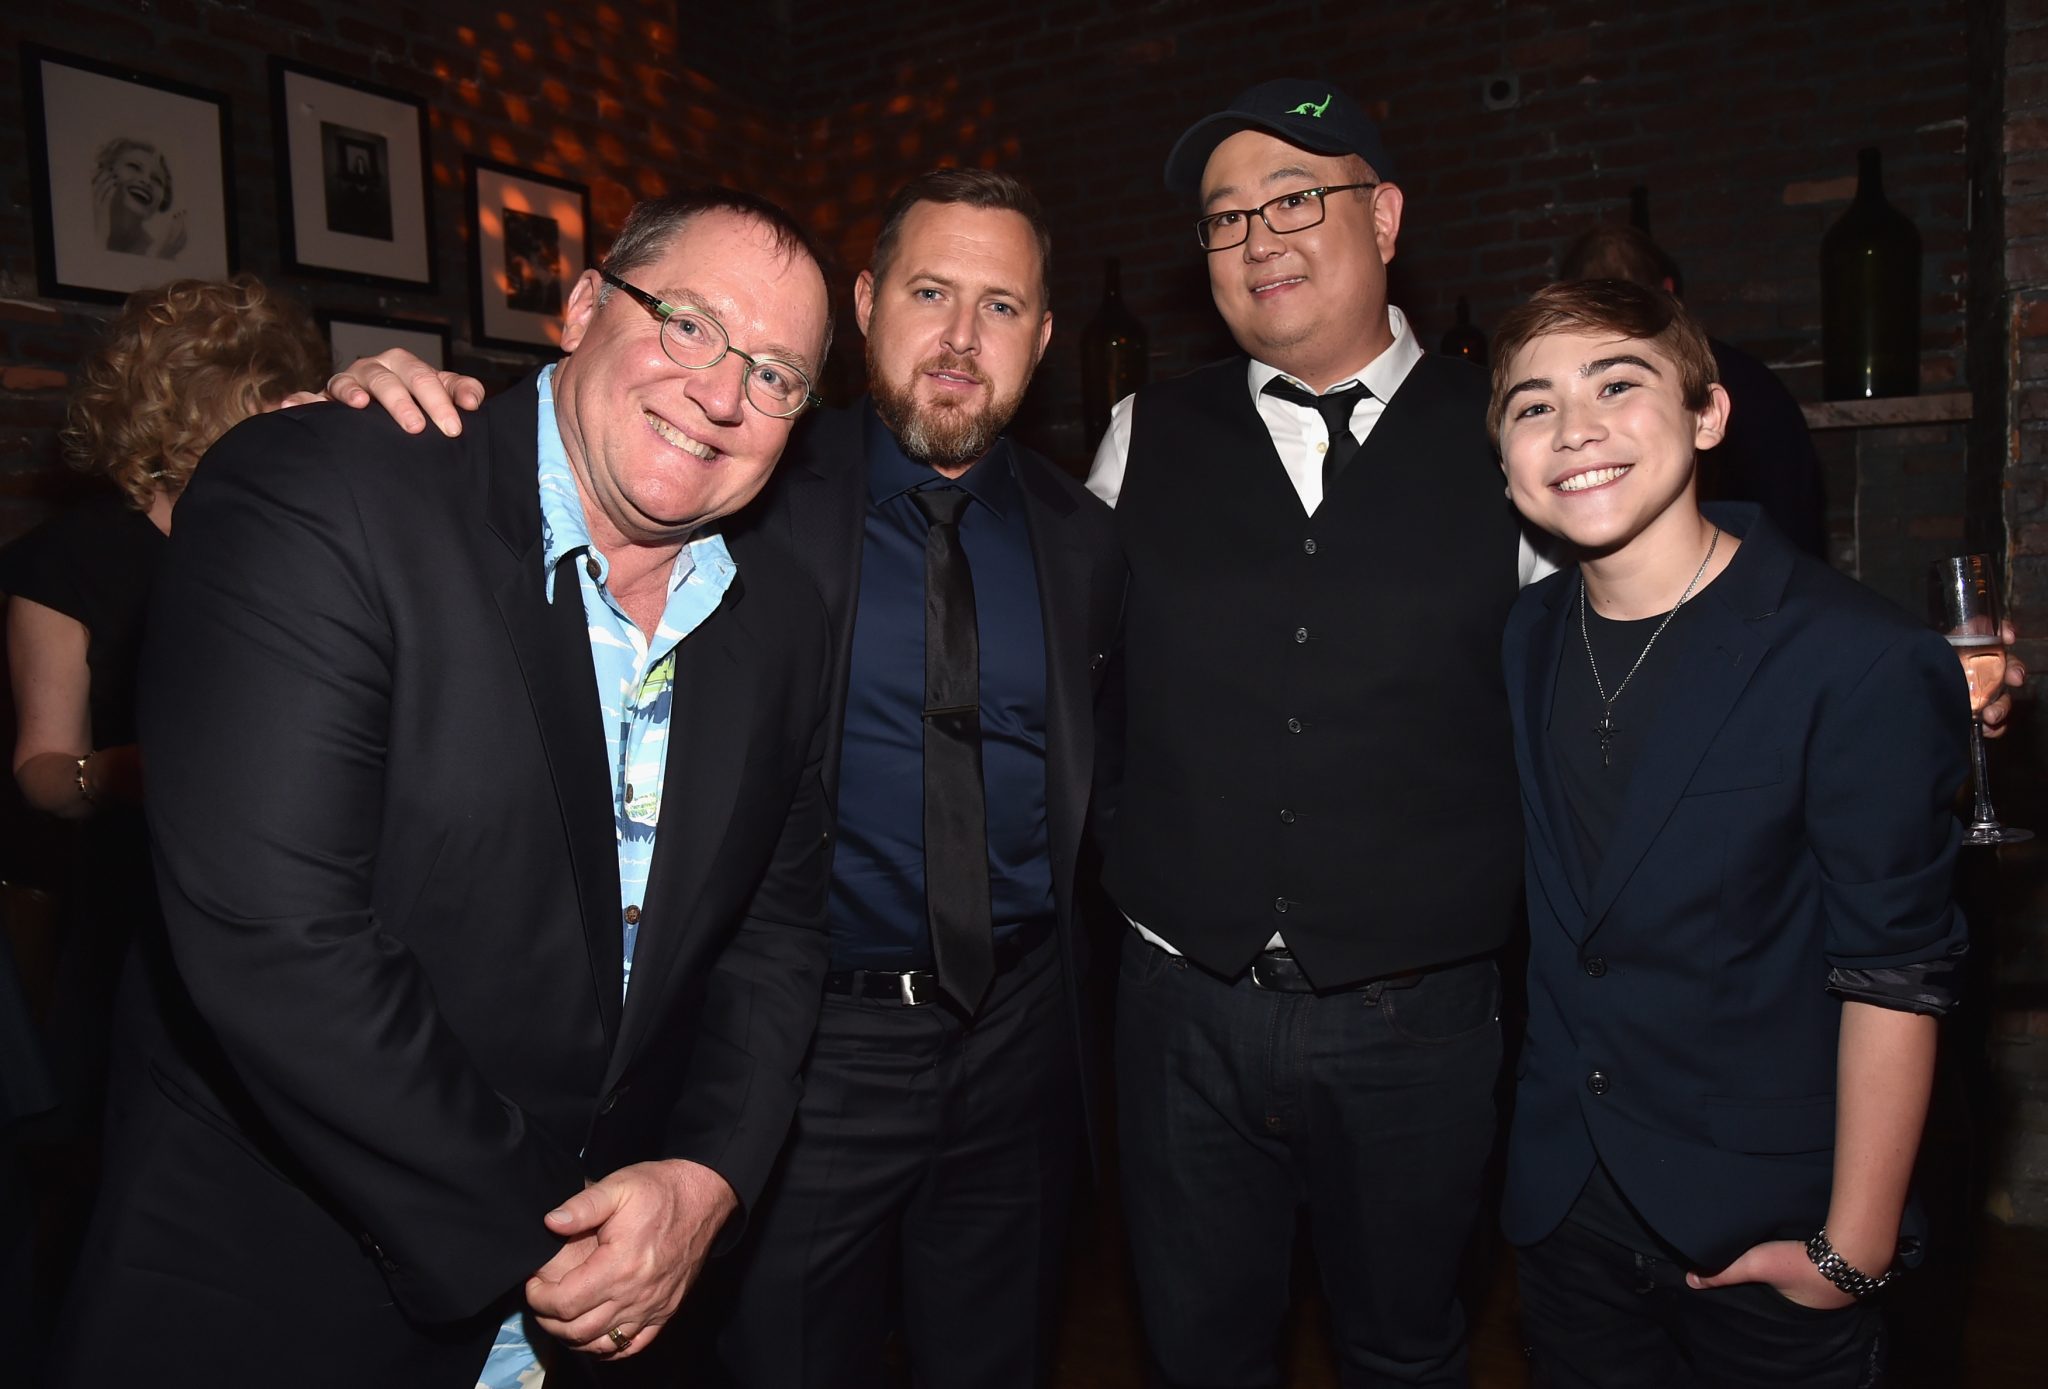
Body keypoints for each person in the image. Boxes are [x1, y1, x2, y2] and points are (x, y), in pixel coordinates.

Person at [322, 166, 1125, 1389]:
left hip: (1019, 1047)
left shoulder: (1086, 541)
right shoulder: (736, 471)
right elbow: (558, 453)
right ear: (865, 304)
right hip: (803, 1052)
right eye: (929, 292)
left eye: (1001, 306)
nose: (962, 337)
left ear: (1046, 336)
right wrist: (393, 409)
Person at [47, 189, 840, 1389]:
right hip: (294, 1297)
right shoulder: (325, 487)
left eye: (775, 375)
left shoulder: (779, 616)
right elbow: (279, 942)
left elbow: (774, 935)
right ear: (583, 307)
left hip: (626, 1303)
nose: (722, 393)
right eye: (688, 324)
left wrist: (703, 1181)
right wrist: (565, 1238)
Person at [1085, 80, 1545, 1387]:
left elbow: (1631, 649)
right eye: (1226, 218)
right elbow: (1051, 664)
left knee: (1403, 1351)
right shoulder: (1142, 434)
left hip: (1418, 1019)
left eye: (1295, 200)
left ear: (1384, 217)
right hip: (1180, 1009)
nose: (1258, 239)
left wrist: (1897, 680)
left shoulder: (1510, 428)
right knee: (1197, 1356)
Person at [1489, 277, 1969, 1386]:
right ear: (1506, 462)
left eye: (1618, 384)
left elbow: (1896, 972)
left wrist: (1849, 1251)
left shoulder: (1854, 655)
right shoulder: (1525, 635)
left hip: (1767, 1223)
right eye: (1533, 405)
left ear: (1707, 415)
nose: (1576, 429)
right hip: (1565, 1208)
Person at [0, 273, 328, 1385]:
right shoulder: (76, 559)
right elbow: (41, 773)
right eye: (260, 394)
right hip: (140, 907)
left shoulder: (287, 526)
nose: (284, 413)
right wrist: (150, 769)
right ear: (183, 406)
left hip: (289, 901)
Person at [1557, 223, 1829, 559]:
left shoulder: (1739, 383)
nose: (1577, 433)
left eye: (1618, 388)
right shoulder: (1752, 379)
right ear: (1669, 290)